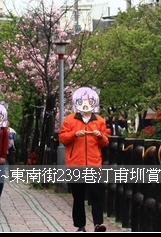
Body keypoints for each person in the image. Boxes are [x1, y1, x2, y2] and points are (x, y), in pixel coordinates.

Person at [59, 86, 110, 232]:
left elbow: (105, 142)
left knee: (96, 194)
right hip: (76, 164)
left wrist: (100, 136)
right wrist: (75, 134)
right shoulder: (70, 119)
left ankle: (98, 224)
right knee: (78, 196)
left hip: (94, 164)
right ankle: (80, 226)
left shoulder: (99, 120)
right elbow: (62, 138)